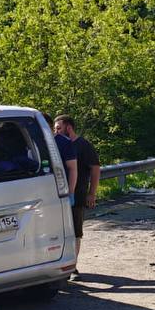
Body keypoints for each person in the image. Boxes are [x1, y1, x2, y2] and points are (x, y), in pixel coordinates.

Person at [54, 115, 100, 268]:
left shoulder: (83, 145)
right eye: (55, 129)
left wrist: (92, 193)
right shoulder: (56, 145)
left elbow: (95, 169)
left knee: (75, 232)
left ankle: (73, 266)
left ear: (69, 127)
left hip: (78, 195)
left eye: (59, 128)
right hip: (58, 196)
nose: (56, 132)